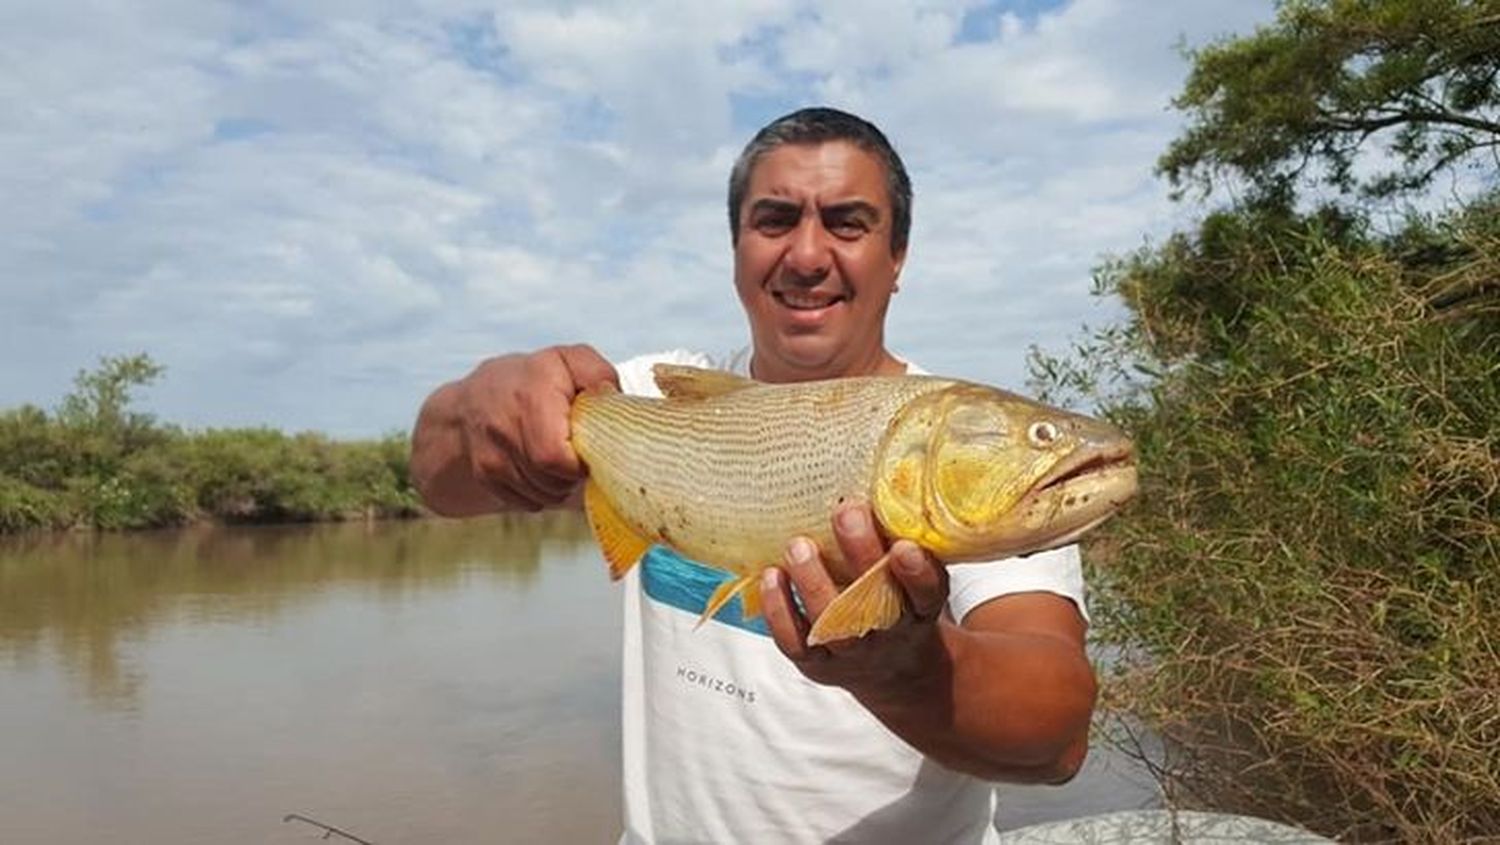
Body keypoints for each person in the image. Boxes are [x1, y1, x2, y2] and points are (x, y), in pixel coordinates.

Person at [409, 107, 1096, 844]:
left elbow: (1056, 737)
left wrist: (907, 669)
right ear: (736, 248)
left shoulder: (970, 447)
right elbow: (434, 476)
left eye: (847, 222)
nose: (807, 253)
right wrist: (478, 401)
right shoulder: (638, 398)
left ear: (898, 258)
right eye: (774, 220)